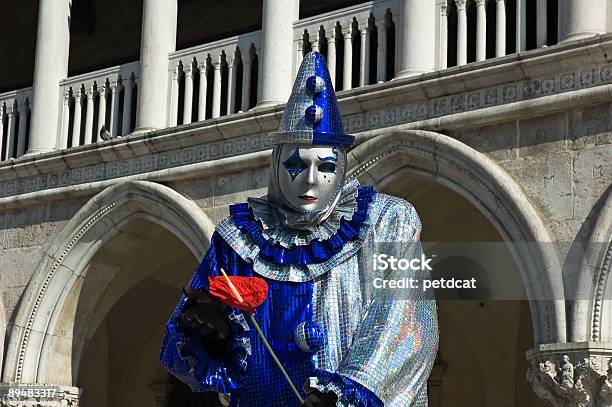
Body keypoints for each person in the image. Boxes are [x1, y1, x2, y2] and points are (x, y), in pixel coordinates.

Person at [160, 51, 439, 407]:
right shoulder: (238, 239)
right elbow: (183, 350)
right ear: (276, 164)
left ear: (341, 168)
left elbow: (406, 323)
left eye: (324, 166)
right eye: (295, 164)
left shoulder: (389, 222)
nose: (310, 179)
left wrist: (343, 392)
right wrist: (214, 337)